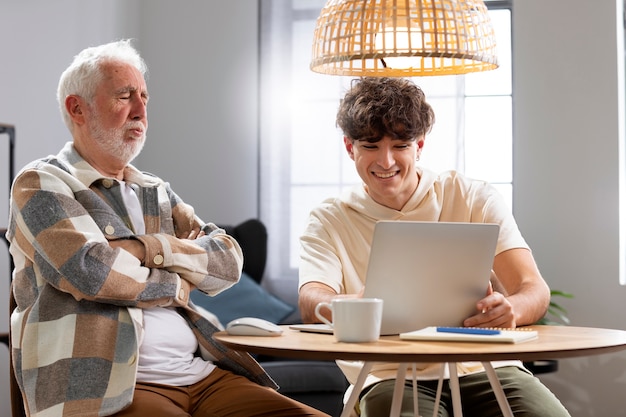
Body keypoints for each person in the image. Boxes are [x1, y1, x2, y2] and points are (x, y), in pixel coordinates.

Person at [6, 39, 329, 417]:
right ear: (78, 108)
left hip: (201, 375)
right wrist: (178, 282)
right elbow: (92, 272)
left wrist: (145, 250)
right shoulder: (41, 184)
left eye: (144, 96)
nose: (141, 110)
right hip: (106, 388)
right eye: (125, 96)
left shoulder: (154, 189)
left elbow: (227, 260)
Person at [298, 77, 571, 417]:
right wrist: (348, 304)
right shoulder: (329, 218)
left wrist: (512, 309)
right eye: (370, 146)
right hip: (386, 375)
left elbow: (533, 289)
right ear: (349, 147)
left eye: (400, 145)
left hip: (486, 367)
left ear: (420, 145)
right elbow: (311, 299)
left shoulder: (473, 197)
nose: (385, 162)